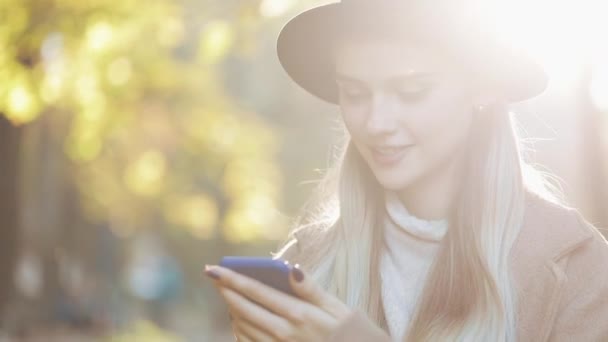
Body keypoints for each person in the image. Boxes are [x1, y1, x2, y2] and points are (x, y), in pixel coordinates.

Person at [204, 0, 608, 341]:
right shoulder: (307, 264)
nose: (376, 122)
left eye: (411, 92)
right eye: (355, 93)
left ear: (483, 88)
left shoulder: (578, 271)